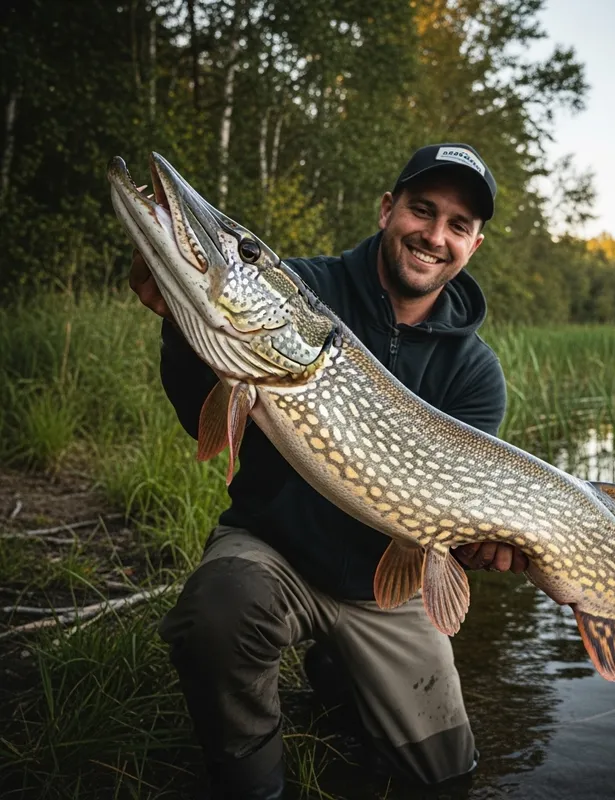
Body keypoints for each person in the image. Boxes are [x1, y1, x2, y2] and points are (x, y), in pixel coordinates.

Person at [130, 143, 529, 800]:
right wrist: (181, 329)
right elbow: (200, 411)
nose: (434, 235)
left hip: (387, 589)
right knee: (218, 613)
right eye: (422, 211)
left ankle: (341, 678)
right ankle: (252, 786)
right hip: (276, 550)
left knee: (446, 778)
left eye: (457, 225)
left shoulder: (476, 372)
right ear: (386, 210)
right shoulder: (305, 292)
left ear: (473, 245)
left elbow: (446, 519)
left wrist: (475, 542)